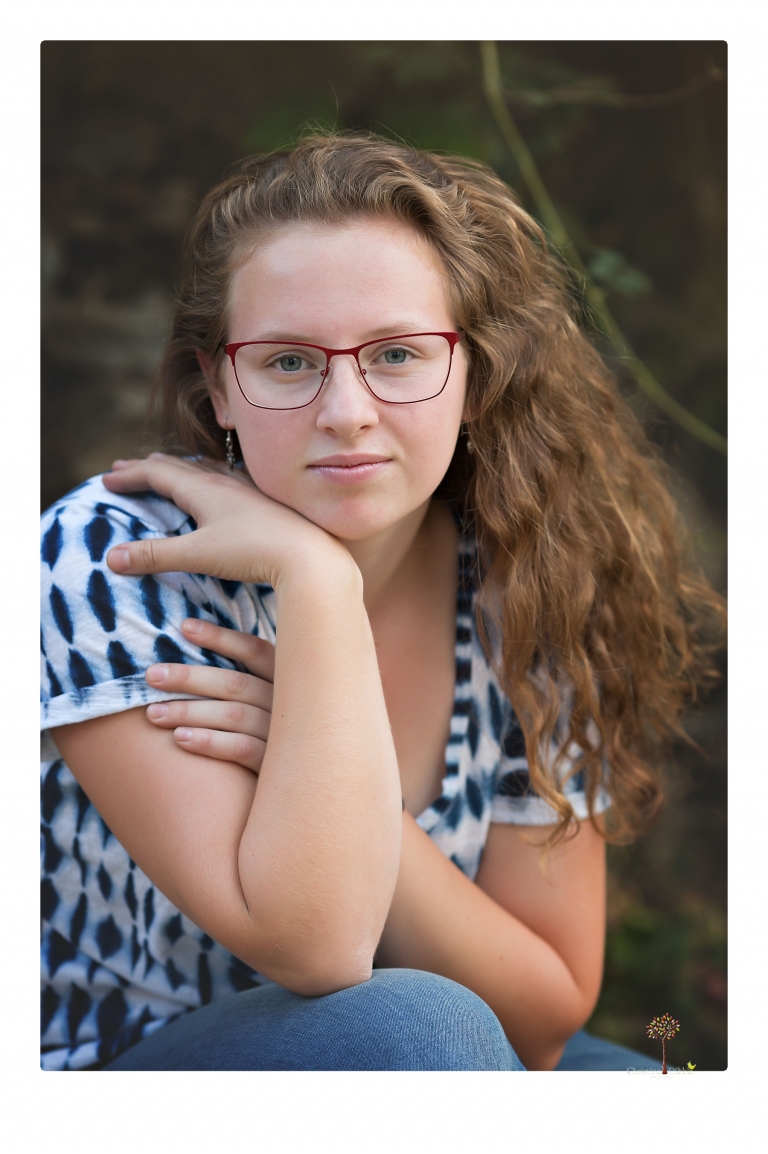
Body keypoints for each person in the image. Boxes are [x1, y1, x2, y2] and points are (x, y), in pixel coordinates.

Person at [40, 132, 723, 1071]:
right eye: (288, 362)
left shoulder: (534, 578)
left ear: (476, 374)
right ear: (220, 387)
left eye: (397, 353)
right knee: (412, 1026)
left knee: (658, 1093)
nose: (346, 411)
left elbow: (543, 1018)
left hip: (442, 1061)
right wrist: (318, 583)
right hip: (114, 1073)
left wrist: (324, 755)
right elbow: (319, 950)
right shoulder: (115, 559)